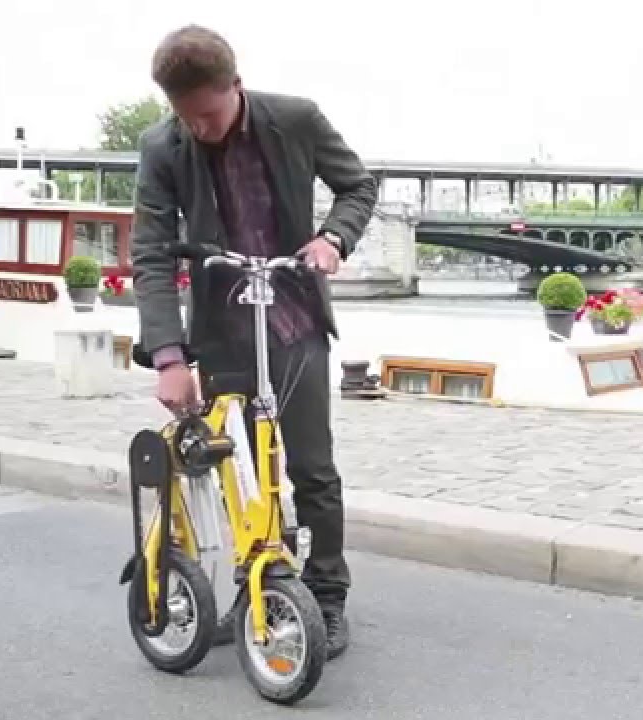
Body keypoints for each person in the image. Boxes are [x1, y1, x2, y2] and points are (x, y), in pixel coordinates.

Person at [130, 24, 377, 661]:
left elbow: (358, 186)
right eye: (185, 118)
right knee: (225, 469)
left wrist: (333, 239)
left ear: (236, 87)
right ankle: (253, 585)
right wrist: (168, 356)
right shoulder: (162, 145)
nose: (199, 129)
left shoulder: (295, 119)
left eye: (208, 114)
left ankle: (325, 595)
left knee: (309, 469)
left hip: (292, 319)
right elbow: (152, 253)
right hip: (218, 331)